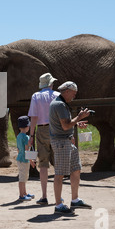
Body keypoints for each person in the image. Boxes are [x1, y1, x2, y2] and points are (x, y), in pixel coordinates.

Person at [49, 81, 92, 214]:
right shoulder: (60, 104)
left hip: (66, 141)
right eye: (73, 93)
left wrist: (77, 123)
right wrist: (79, 116)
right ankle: (58, 205)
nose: (74, 96)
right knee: (60, 174)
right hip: (61, 142)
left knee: (76, 168)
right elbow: (66, 126)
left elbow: (64, 124)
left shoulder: (60, 103)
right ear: (67, 91)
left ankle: (74, 199)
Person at [27, 73, 60, 205]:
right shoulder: (58, 95)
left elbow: (33, 117)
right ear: (51, 83)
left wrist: (31, 135)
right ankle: (59, 196)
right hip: (56, 129)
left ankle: (44, 196)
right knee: (58, 163)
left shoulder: (36, 96)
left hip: (42, 130)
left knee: (43, 164)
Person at [16, 116, 36, 201]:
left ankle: (24, 193)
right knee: (23, 178)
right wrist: (31, 161)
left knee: (23, 177)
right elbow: (27, 150)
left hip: (20, 158)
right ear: (27, 127)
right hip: (24, 160)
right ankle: (21, 195)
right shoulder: (26, 137)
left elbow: (18, 149)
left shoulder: (18, 136)